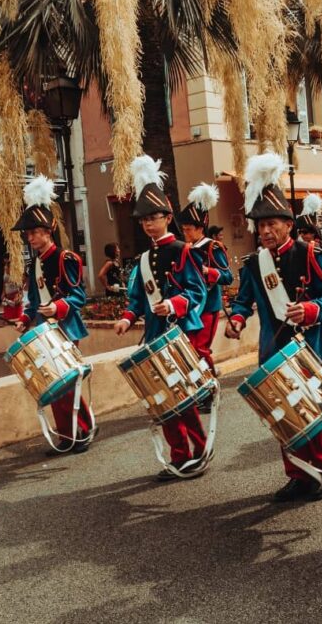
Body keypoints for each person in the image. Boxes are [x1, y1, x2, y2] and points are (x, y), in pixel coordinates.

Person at [225, 152, 322, 503]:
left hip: (309, 349)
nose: (265, 231)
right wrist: (236, 318)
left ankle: (319, 471)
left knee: (311, 413)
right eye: (260, 225)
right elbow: (244, 301)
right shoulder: (254, 264)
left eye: (272, 223)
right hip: (273, 351)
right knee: (283, 416)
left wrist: (309, 309)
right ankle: (296, 474)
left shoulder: (310, 254)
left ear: (288, 224)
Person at [114, 155, 209, 480]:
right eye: (143, 221)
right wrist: (127, 318)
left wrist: (174, 305)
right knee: (163, 399)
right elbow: (138, 298)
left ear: (167, 217)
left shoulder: (183, 250)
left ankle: (198, 451)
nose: (148, 224)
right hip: (155, 337)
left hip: (180, 334)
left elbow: (197, 292)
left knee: (182, 396)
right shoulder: (143, 259)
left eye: (154, 218)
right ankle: (179, 454)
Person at [13, 175, 96, 454]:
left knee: (66, 384)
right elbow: (35, 298)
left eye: (35, 232)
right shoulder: (36, 262)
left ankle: (79, 432)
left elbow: (78, 296)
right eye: (28, 234)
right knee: (55, 384)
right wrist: (25, 318)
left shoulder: (65, 258)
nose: (31, 237)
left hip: (65, 328)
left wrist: (58, 308)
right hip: (43, 329)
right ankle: (71, 434)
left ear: (48, 231)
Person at [177, 182, 233, 414]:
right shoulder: (185, 249)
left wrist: (209, 272)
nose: (186, 232)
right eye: (185, 228)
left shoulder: (212, 247)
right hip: (191, 306)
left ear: (200, 228)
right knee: (189, 350)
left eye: (190, 228)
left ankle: (209, 390)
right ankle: (199, 387)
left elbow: (227, 276)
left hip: (208, 305)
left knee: (200, 349)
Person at [1, 254, 24, 323]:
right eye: (5, 262)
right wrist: (3, 292)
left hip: (15, 291)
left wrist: (20, 293)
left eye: (7, 262)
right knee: (8, 314)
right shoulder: (5, 268)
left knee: (16, 315)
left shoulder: (16, 269)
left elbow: (20, 282)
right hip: (7, 292)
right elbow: (4, 282)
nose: (6, 263)